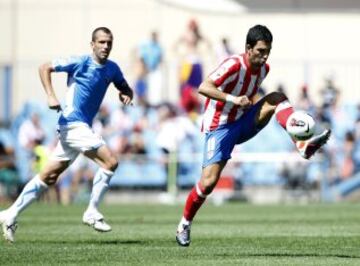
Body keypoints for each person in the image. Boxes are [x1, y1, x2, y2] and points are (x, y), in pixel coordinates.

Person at [175, 25, 331, 247]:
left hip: (243, 121)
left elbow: (250, 93)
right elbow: (203, 87)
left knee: (276, 98)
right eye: (260, 51)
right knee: (208, 183)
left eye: (267, 50)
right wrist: (233, 99)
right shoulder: (232, 64)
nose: (264, 55)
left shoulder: (264, 68)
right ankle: (184, 223)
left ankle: (302, 143)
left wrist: (248, 105)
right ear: (248, 48)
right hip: (219, 127)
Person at [0, 27, 133, 242]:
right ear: (92, 44)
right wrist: (51, 96)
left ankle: (10, 214)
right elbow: (45, 67)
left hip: (79, 128)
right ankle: (91, 211)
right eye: (101, 42)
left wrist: (126, 94)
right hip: (73, 124)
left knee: (49, 176)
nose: (105, 46)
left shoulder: (112, 69)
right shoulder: (80, 62)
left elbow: (124, 86)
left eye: (109, 42)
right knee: (110, 162)